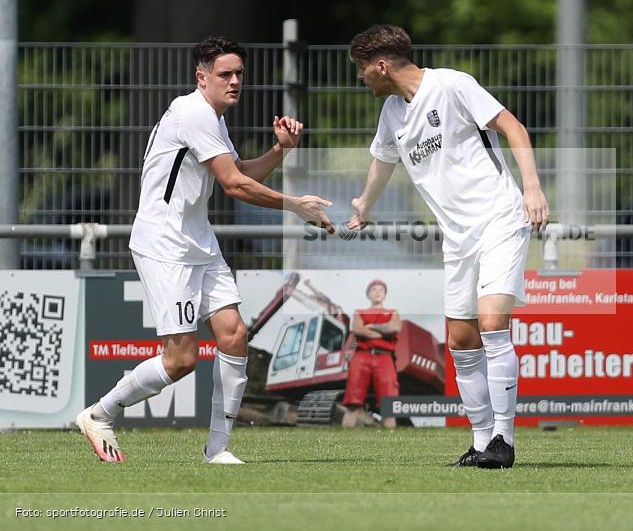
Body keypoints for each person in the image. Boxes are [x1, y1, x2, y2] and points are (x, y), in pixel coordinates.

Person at [75, 36, 335, 464]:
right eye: (224, 74)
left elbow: (238, 172)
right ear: (202, 77)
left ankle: (218, 449)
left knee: (233, 335)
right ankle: (100, 414)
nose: (234, 82)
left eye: (239, 74)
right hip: (166, 245)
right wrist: (296, 206)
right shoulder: (194, 113)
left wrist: (279, 150)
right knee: (181, 360)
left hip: (198, 240)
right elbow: (234, 185)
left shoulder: (211, 117)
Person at [347, 25, 549, 468]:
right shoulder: (392, 116)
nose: (361, 78)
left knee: (493, 324)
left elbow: (512, 126)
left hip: (499, 216)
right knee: (460, 340)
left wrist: (532, 189)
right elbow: (383, 163)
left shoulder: (453, 84)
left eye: (363, 69)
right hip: (457, 236)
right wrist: (364, 205)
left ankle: (504, 440)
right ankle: (481, 443)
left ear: (381, 65)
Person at [342, 279, 401, 428]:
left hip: (385, 357)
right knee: (352, 403)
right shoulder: (359, 312)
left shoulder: (392, 312)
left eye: (381, 289)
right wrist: (383, 333)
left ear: (385, 295)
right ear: (368, 294)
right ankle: (344, 444)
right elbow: (358, 329)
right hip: (362, 356)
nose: (377, 292)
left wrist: (371, 326)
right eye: (374, 289)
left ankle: (391, 446)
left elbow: (394, 327)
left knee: (389, 406)